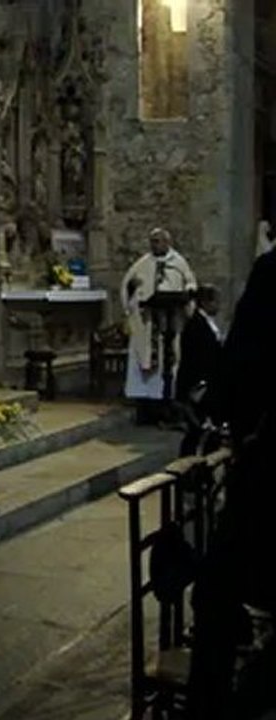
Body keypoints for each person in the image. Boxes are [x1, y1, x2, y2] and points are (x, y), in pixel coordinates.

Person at [186, 251, 276, 719]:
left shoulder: (272, 273)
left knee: (215, 594)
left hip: (270, 476)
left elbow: (239, 370)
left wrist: (222, 410)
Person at [120, 228, 196, 423]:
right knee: (146, 363)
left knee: (169, 362)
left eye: (157, 241)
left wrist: (188, 292)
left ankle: (168, 404)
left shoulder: (178, 263)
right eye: (152, 241)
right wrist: (133, 288)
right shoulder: (143, 263)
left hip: (171, 323)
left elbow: (190, 283)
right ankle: (147, 408)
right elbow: (127, 285)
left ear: (167, 242)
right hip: (148, 324)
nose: (153, 245)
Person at [175, 285, 223, 457]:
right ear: (205, 302)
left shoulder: (206, 322)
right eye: (216, 302)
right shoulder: (196, 325)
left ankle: (205, 462)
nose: (219, 306)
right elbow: (196, 359)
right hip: (197, 385)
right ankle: (188, 463)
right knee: (197, 429)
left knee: (209, 430)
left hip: (208, 383)